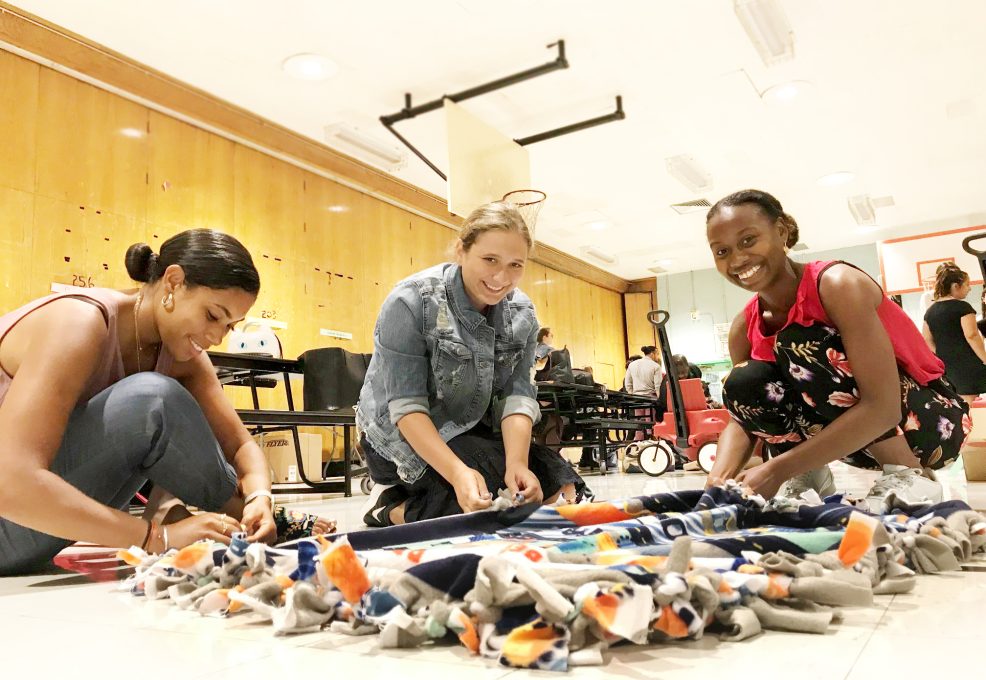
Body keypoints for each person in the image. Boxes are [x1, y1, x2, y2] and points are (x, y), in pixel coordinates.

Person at [0, 229, 324, 576]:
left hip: (32, 525)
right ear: (172, 282)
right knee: (151, 399)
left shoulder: (181, 352)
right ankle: (193, 514)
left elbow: (241, 443)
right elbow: (12, 484)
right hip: (10, 519)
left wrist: (261, 495)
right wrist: (159, 537)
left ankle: (243, 515)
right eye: (213, 316)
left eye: (230, 326)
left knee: (168, 403)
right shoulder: (77, 324)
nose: (216, 337)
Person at [704, 189, 968, 512]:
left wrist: (777, 468)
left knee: (798, 345)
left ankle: (909, 474)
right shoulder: (743, 328)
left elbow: (883, 407)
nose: (737, 260)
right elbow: (743, 417)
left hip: (930, 423)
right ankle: (808, 479)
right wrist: (716, 481)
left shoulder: (838, 285)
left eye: (748, 241)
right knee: (744, 380)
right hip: (852, 441)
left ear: (782, 232)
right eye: (722, 251)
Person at [357, 202, 585, 527]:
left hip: (468, 428)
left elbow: (517, 396)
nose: (501, 277)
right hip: (398, 437)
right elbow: (406, 408)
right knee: (481, 498)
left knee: (547, 482)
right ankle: (387, 506)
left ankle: (449, 488)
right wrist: (457, 472)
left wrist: (517, 462)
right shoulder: (409, 302)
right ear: (461, 250)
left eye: (515, 265)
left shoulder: (521, 312)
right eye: (490, 259)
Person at [923, 263, 986, 404]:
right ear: (956, 286)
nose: (969, 288)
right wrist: (984, 358)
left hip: (946, 367)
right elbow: (972, 335)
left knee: (958, 405)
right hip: (967, 364)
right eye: (967, 285)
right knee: (970, 405)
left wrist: (941, 355)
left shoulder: (930, 311)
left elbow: (927, 339)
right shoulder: (963, 307)